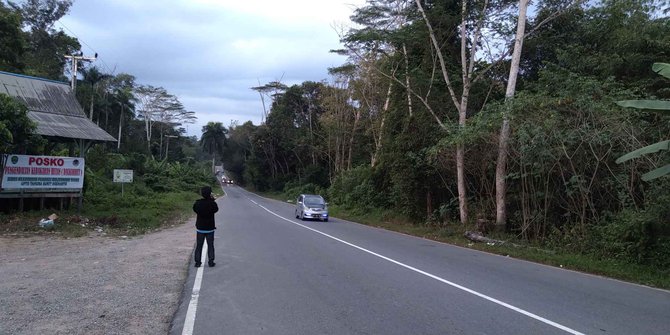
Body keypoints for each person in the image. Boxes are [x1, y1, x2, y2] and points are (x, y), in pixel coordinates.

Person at [192, 186, 219, 267]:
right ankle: (211, 261)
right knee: (210, 245)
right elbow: (216, 209)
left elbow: (195, 209)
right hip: (210, 228)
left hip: (200, 228)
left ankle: (197, 262)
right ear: (210, 193)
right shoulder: (212, 203)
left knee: (199, 246)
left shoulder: (198, 203)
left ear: (202, 194)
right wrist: (212, 200)